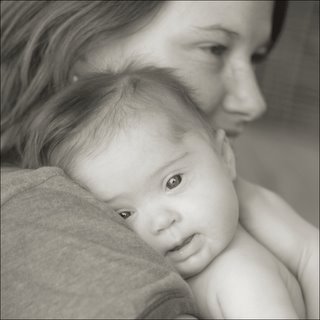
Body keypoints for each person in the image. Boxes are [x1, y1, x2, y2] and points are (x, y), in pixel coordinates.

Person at [1, 1, 318, 319]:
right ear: (81, 41)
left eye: (174, 181)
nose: (254, 102)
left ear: (225, 156)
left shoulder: (240, 247)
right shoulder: (39, 211)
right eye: (215, 48)